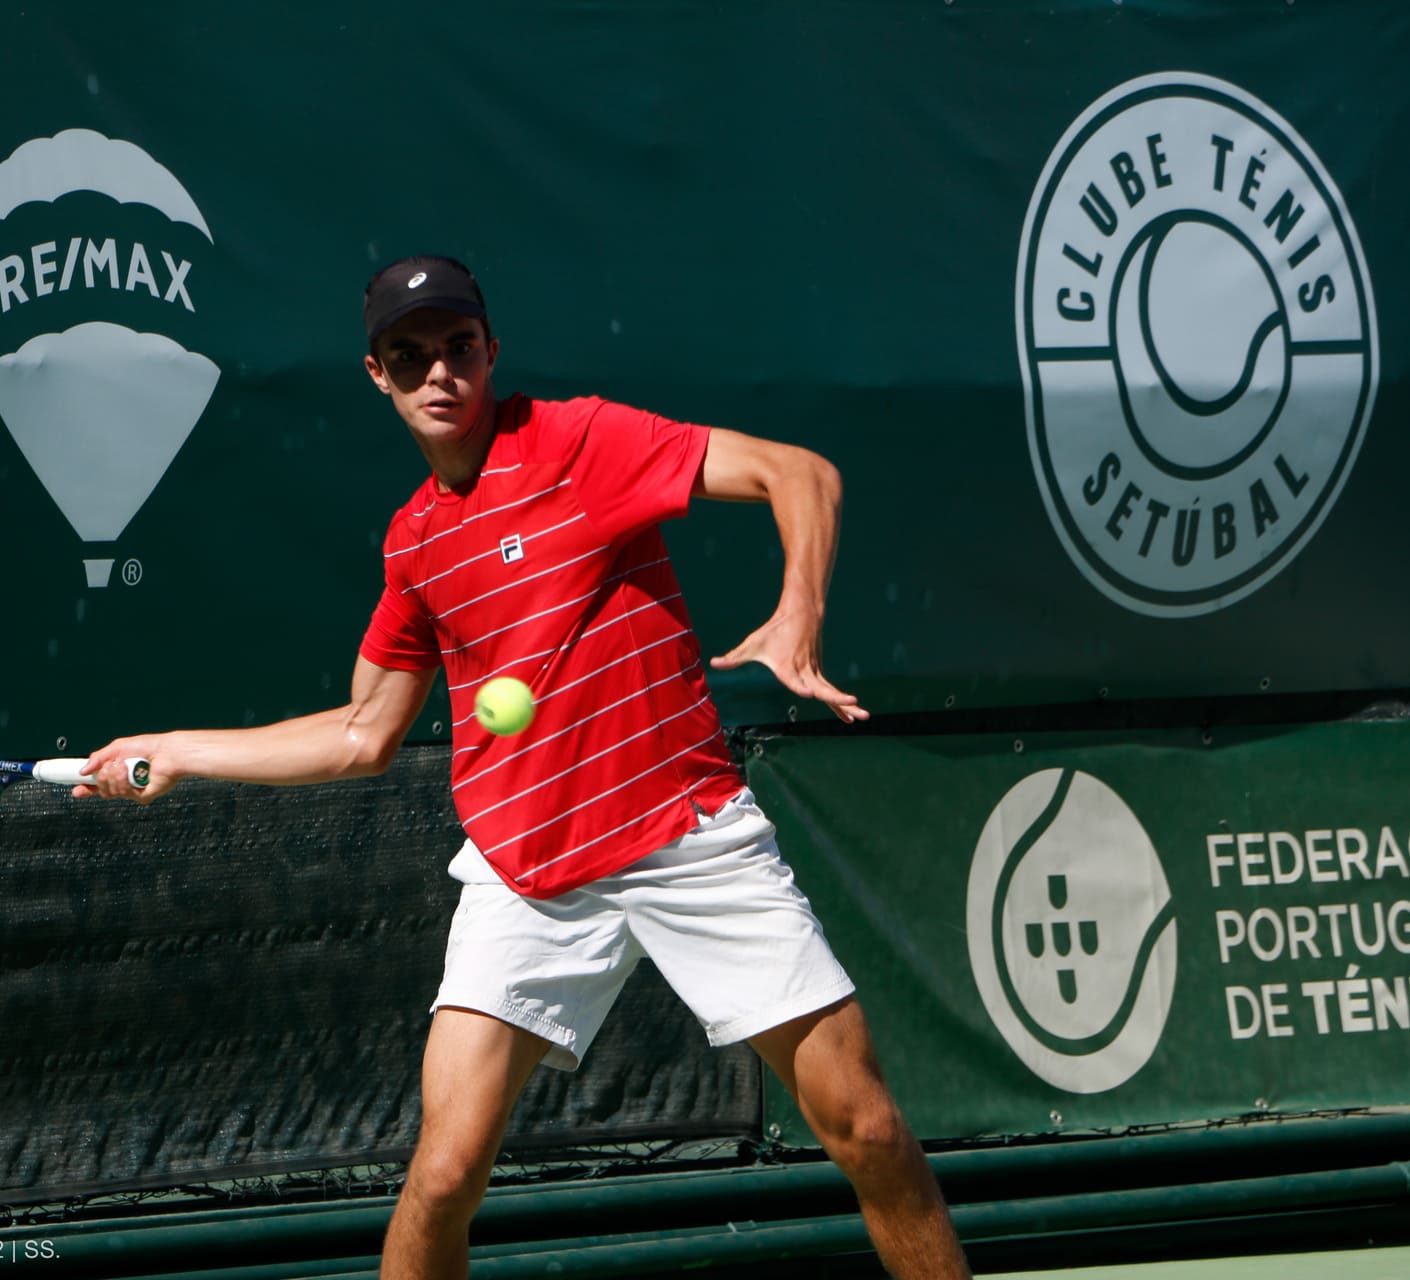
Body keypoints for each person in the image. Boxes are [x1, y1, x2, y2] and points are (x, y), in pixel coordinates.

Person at [74, 255, 970, 1280]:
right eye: (410, 356)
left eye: (458, 347)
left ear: (491, 351)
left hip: (685, 834)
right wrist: (178, 750)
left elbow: (799, 472)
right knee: (445, 1173)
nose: (439, 372)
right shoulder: (414, 543)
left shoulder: (581, 441)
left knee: (865, 1126)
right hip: (526, 869)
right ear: (377, 374)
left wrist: (796, 612)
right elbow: (364, 731)